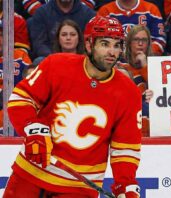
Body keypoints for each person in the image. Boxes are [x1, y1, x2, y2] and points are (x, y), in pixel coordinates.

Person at [4, 16, 142, 198]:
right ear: (89, 44)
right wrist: (33, 128)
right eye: (105, 44)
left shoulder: (128, 92)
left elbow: (125, 146)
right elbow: (21, 99)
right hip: (32, 172)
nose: (112, 52)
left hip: (79, 187)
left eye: (117, 45)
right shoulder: (56, 65)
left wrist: (126, 184)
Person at [28, 0, 95, 60]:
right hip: (50, 58)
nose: (68, 38)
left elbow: (92, 44)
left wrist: (78, 59)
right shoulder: (41, 13)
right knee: (39, 60)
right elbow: (39, 44)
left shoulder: (89, 15)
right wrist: (56, 59)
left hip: (81, 59)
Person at [97, 0, 166, 56]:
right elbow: (99, 41)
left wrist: (145, 54)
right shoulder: (105, 11)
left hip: (144, 62)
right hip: (114, 63)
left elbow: (160, 40)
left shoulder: (151, 10)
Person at [119, 25, 153, 136]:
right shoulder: (120, 66)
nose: (140, 43)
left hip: (153, 120)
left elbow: (159, 88)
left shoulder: (155, 65)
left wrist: (145, 66)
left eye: (144, 40)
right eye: (136, 39)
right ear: (129, 42)